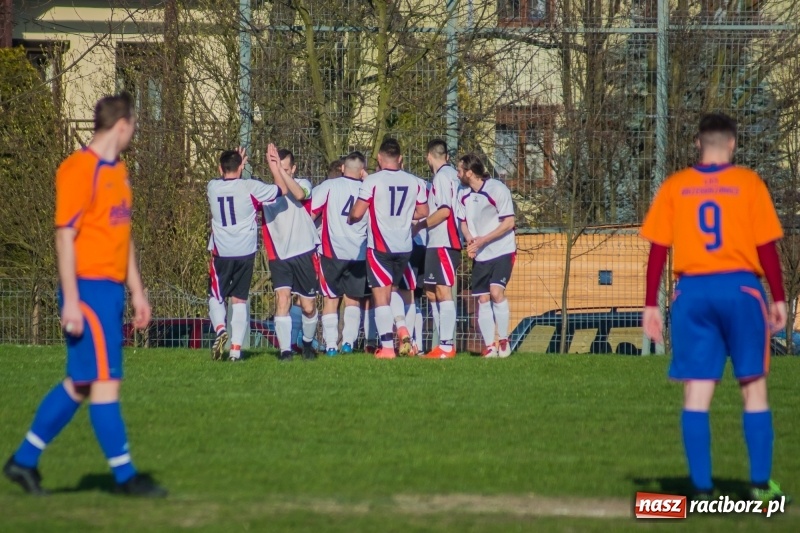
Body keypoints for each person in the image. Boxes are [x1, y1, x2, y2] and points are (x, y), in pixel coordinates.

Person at [3, 93, 166, 496]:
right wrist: (72, 300)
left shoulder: (120, 172)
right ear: (123, 125)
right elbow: (65, 236)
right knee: (106, 381)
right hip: (88, 291)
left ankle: (23, 462)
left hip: (110, 292)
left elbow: (122, 234)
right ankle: (127, 479)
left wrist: (138, 291)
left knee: (79, 384)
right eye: (134, 127)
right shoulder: (78, 169)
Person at [641, 113, 789, 503]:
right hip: (740, 289)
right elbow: (766, 247)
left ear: (697, 143)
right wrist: (778, 297)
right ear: (733, 144)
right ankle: (760, 487)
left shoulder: (676, 186)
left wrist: (649, 305)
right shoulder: (748, 183)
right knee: (753, 390)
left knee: (697, 393)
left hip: (692, 293)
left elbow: (658, 248)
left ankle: (702, 489)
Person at [348, 138, 428, 358]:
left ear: (380, 159)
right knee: (393, 290)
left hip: (380, 247)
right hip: (404, 247)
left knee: (380, 296)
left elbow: (357, 212)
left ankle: (386, 348)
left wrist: (351, 219)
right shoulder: (415, 181)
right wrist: (403, 215)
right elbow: (423, 211)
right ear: (400, 159)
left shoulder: (373, 180)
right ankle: (402, 329)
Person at [207, 148, 285, 361]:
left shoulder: (212, 187)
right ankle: (235, 350)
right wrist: (274, 167)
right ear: (241, 167)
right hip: (245, 251)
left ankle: (221, 328)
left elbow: (222, 177)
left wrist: (236, 164)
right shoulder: (250, 187)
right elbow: (280, 190)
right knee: (240, 299)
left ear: (219, 168)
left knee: (216, 295)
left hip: (221, 251)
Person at [262, 144, 320, 361]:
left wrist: (280, 173)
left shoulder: (304, 184)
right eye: (276, 167)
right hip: (279, 256)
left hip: (304, 251)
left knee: (308, 306)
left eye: (285, 169)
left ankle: (306, 344)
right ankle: (285, 351)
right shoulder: (267, 192)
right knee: (282, 299)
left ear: (293, 169)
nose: (280, 172)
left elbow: (296, 193)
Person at [456, 153, 516, 358]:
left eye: (459, 170)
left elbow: (509, 223)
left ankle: (504, 341)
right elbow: (462, 222)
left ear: (469, 172)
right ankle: (490, 346)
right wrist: (470, 241)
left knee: (496, 292)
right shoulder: (462, 193)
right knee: (482, 299)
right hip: (481, 254)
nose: (457, 174)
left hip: (502, 249)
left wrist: (483, 240)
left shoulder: (497, 189)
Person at [310, 151, 370, 356]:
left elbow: (311, 213)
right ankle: (349, 344)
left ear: (343, 168)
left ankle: (330, 346)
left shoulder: (329, 186)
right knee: (353, 300)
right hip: (359, 253)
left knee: (331, 299)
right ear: (362, 171)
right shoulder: (368, 188)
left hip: (331, 251)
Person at [416, 139, 462, 359]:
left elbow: (444, 211)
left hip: (445, 240)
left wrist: (421, 225)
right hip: (436, 242)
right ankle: (440, 343)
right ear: (447, 156)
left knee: (443, 291)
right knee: (431, 291)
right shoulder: (453, 174)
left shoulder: (443, 177)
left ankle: (446, 345)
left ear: (428, 156)